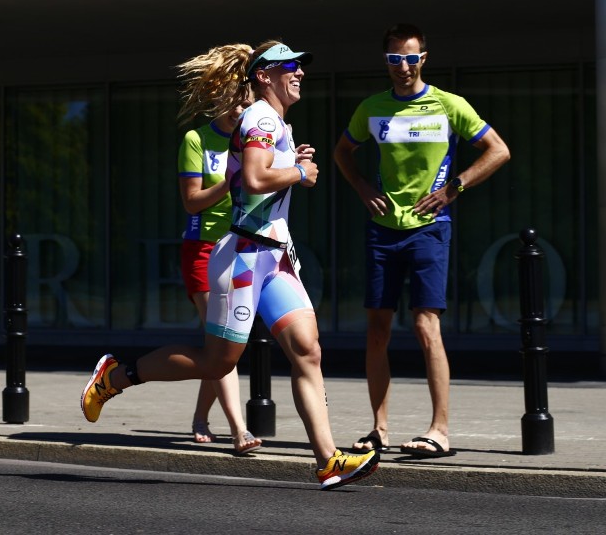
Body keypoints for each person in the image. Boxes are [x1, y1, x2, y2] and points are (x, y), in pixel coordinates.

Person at [81, 40, 381, 490]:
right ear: (264, 75)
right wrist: (300, 174)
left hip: (275, 257)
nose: (299, 72)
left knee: (308, 350)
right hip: (242, 257)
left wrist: (293, 163)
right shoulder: (260, 115)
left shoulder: (275, 121)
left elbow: (258, 177)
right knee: (217, 363)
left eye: (300, 67)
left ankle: (328, 460)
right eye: (289, 67)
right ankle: (116, 376)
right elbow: (256, 179)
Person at [332, 23, 510, 458]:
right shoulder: (372, 108)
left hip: (431, 227)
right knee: (377, 329)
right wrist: (361, 187)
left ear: (423, 58)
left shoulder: (449, 105)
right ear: (386, 61)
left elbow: (498, 150)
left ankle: (440, 430)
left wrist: (456, 188)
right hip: (382, 229)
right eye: (395, 59)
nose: (403, 66)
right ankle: (379, 429)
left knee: (425, 324)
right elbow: (341, 152)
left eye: (410, 58)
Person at [175, 44, 262, 454]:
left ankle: (199, 417)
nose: (237, 110)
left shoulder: (256, 137)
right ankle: (239, 429)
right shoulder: (196, 139)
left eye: (244, 102)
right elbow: (191, 201)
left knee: (219, 345)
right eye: (230, 101)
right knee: (221, 341)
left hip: (243, 245)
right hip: (203, 249)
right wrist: (230, 180)